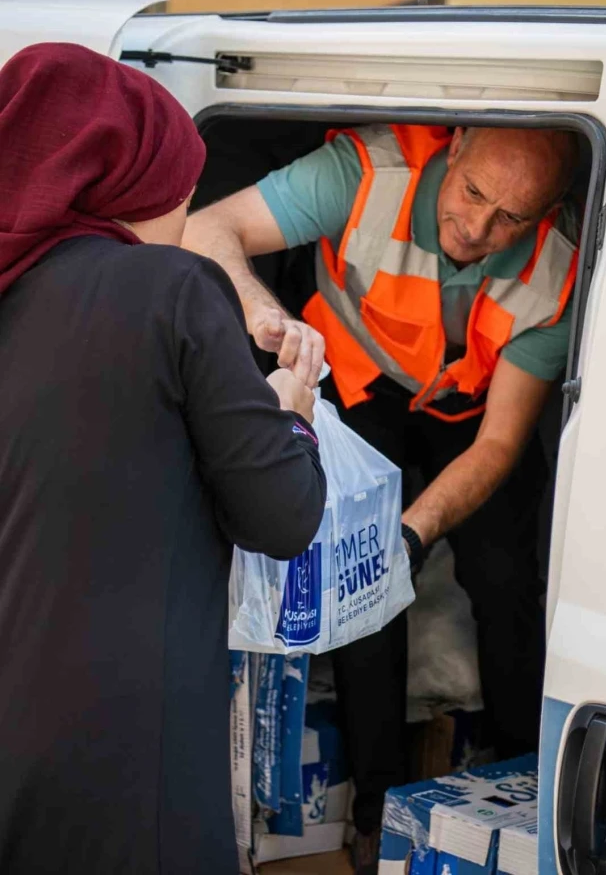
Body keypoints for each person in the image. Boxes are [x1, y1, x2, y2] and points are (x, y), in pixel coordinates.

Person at [184, 121, 581, 873]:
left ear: (553, 209)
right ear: (453, 149)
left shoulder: (558, 270)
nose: (478, 227)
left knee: (504, 582)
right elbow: (208, 227)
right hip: (362, 378)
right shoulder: (366, 174)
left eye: (512, 217)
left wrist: (413, 533)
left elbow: (499, 446)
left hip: (472, 405)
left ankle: (521, 783)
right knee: (361, 584)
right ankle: (376, 804)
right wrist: (264, 314)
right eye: (471, 193)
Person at [0, 43, 326, 875]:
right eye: (180, 196)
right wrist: (291, 416)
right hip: (120, 748)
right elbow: (282, 516)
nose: (182, 221)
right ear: (128, 183)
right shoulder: (170, 290)